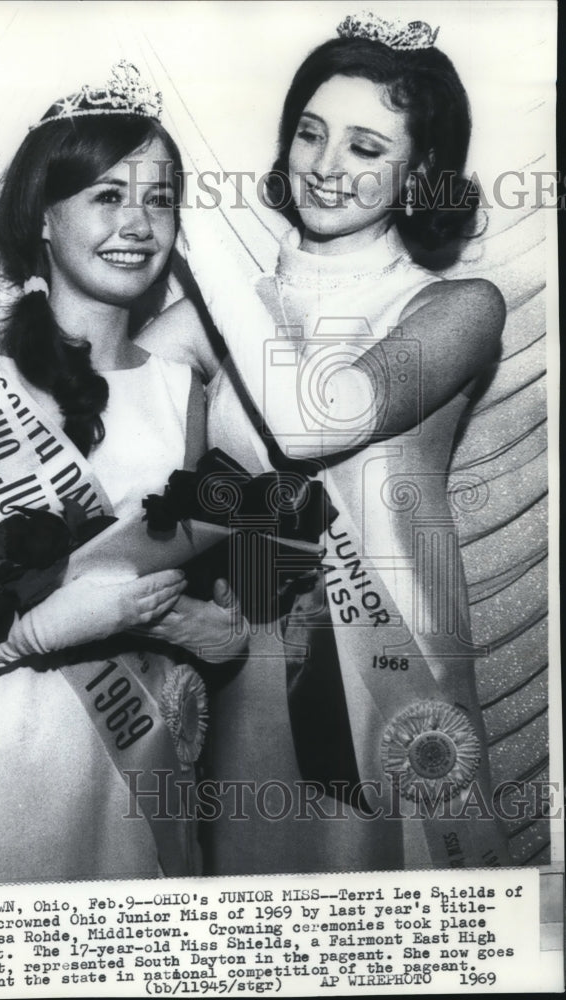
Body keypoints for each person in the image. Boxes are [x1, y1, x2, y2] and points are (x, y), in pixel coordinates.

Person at [144, 13, 512, 873]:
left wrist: (192, 246)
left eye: (364, 147)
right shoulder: (222, 311)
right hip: (253, 666)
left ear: (419, 172)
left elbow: (315, 422)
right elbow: (92, 430)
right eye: (310, 134)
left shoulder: (456, 307)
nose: (324, 166)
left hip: (394, 660)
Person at [0, 62, 237, 887]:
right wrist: (43, 627)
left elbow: (185, 591)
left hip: (136, 756)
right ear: (44, 216)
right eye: (108, 196)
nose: (138, 223)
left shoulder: (183, 391)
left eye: (158, 199)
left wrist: (197, 626)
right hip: (1, 751)